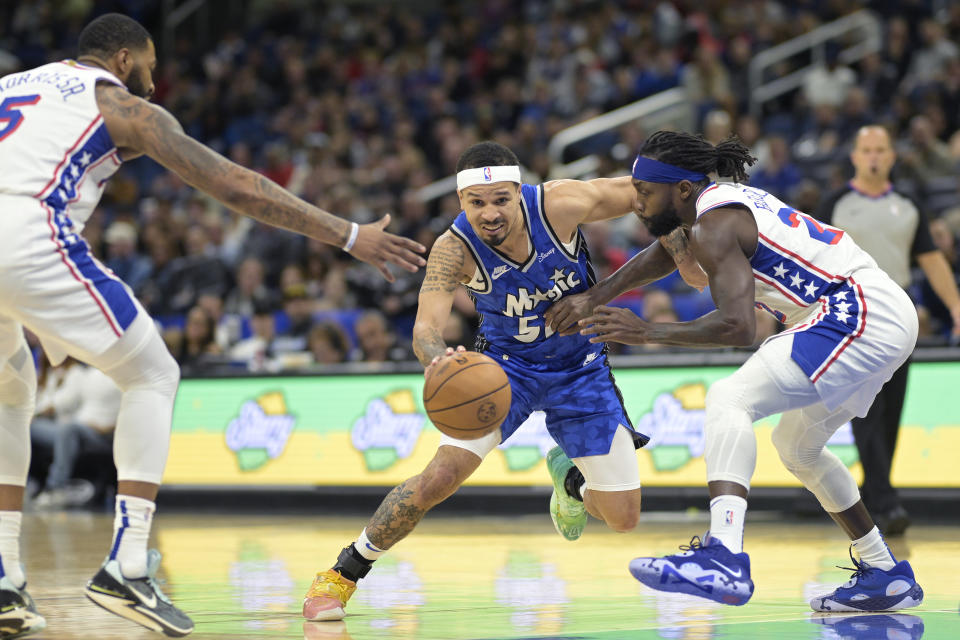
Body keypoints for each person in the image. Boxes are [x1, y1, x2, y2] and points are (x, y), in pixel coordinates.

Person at [0, 13, 425, 638]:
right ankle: (128, 564)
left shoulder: (14, 85)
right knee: (152, 373)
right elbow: (234, 185)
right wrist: (349, 233)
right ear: (122, 60)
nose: (154, 81)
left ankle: (5, 580)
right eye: (149, 66)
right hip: (26, 233)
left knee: (12, 396)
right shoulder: (120, 106)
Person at [301, 141, 707, 622]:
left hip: (581, 368)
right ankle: (343, 573)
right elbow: (425, 330)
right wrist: (440, 359)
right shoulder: (453, 250)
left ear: (520, 192)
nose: (489, 212)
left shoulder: (560, 203)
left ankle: (572, 481)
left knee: (624, 518)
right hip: (504, 372)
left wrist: (681, 247)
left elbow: (656, 196)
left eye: (500, 200)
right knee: (441, 476)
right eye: (477, 203)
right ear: (461, 202)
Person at [547, 131, 924, 613]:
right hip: (873, 311)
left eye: (645, 192)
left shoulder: (716, 224)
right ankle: (885, 572)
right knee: (798, 449)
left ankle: (723, 553)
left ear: (681, 190)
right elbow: (670, 250)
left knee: (730, 398)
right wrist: (598, 295)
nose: (636, 203)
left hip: (853, 311)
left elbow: (739, 325)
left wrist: (647, 331)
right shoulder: (713, 210)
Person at [815, 125, 960, 536]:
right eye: (867, 150)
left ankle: (875, 493)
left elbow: (931, 259)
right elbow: (813, 261)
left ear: (892, 156)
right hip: (850, 320)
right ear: (855, 156)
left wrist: (955, 304)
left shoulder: (909, 203)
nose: (874, 156)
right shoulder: (835, 203)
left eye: (881, 149)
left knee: (892, 411)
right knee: (866, 410)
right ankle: (886, 499)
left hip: (899, 320)